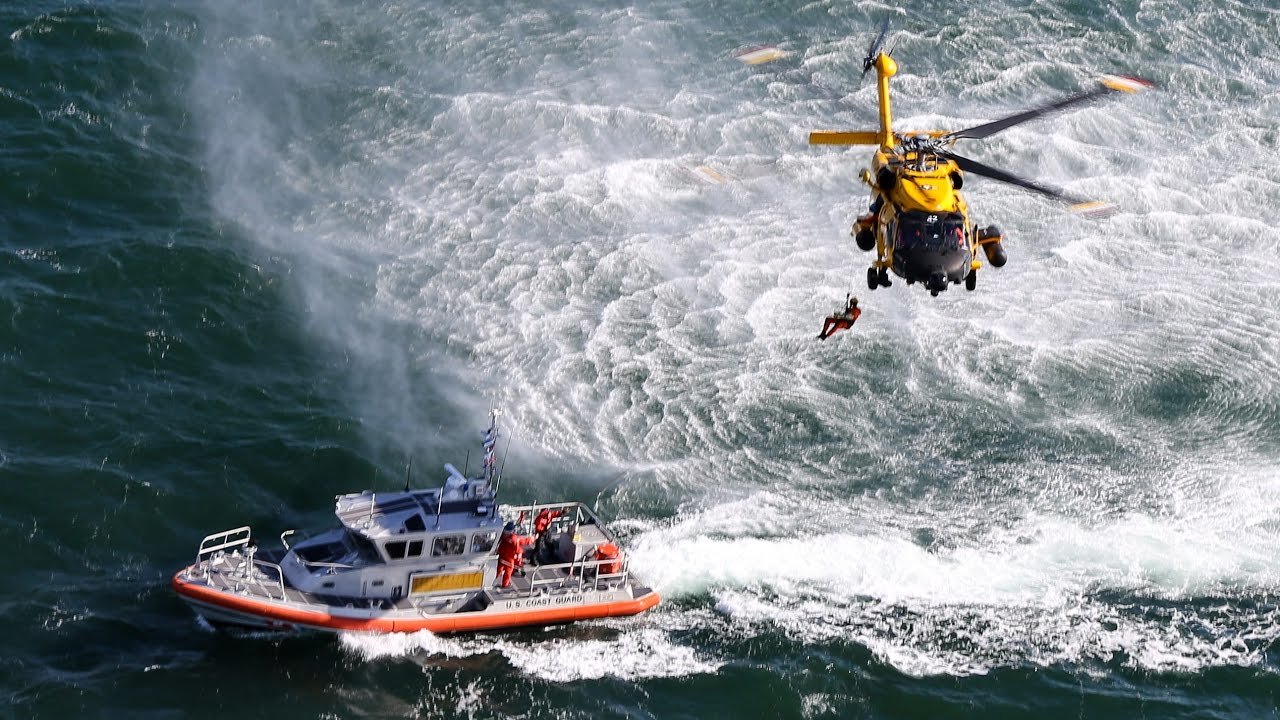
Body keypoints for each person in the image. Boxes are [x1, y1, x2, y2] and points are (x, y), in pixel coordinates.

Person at [495, 521, 533, 589]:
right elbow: (517, 547)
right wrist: (518, 554)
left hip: (501, 554)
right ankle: (505, 584)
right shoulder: (514, 538)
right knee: (509, 570)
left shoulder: (502, 535)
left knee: (499, 568)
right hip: (509, 557)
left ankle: (494, 578)